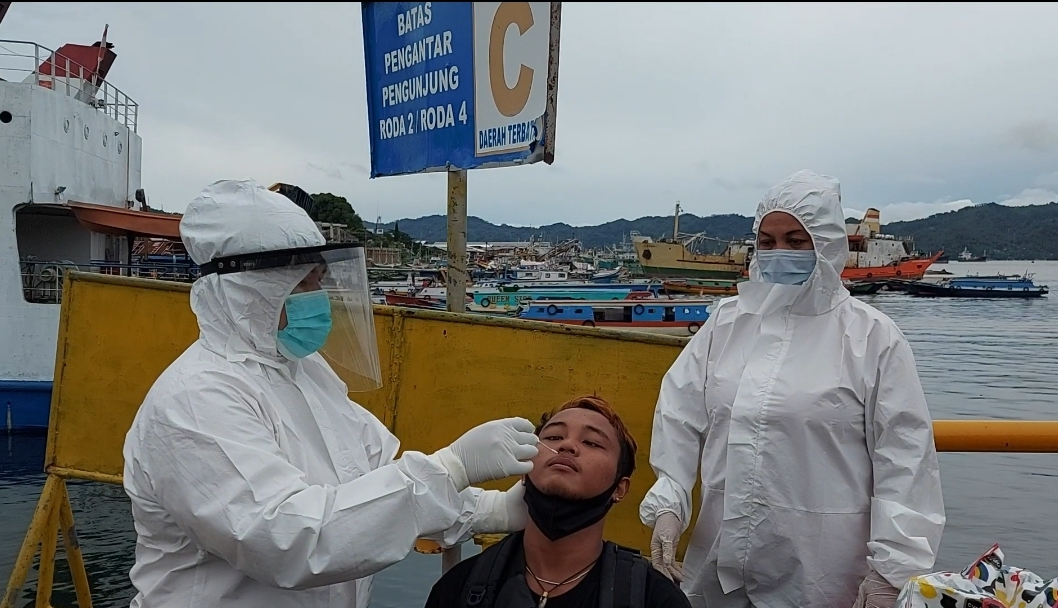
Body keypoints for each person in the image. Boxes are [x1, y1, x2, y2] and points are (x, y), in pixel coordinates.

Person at [122, 179, 540, 608]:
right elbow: (286, 541)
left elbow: (375, 480)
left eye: (319, 280)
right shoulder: (195, 400)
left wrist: (493, 510)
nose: (317, 298)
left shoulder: (301, 372)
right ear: (248, 290)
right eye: (303, 283)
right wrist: (452, 466)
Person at [640, 170, 946, 608]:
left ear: (827, 244)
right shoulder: (727, 323)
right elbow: (679, 413)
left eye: (796, 241)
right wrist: (670, 500)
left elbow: (905, 460)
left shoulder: (872, 338)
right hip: (719, 571)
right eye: (767, 241)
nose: (778, 251)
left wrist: (893, 571)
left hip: (824, 575)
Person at [425, 395, 690, 608]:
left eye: (592, 442)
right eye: (553, 438)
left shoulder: (653, 598)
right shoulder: (460, 588)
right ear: (525, 471)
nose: (568, 446)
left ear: (619, 489)